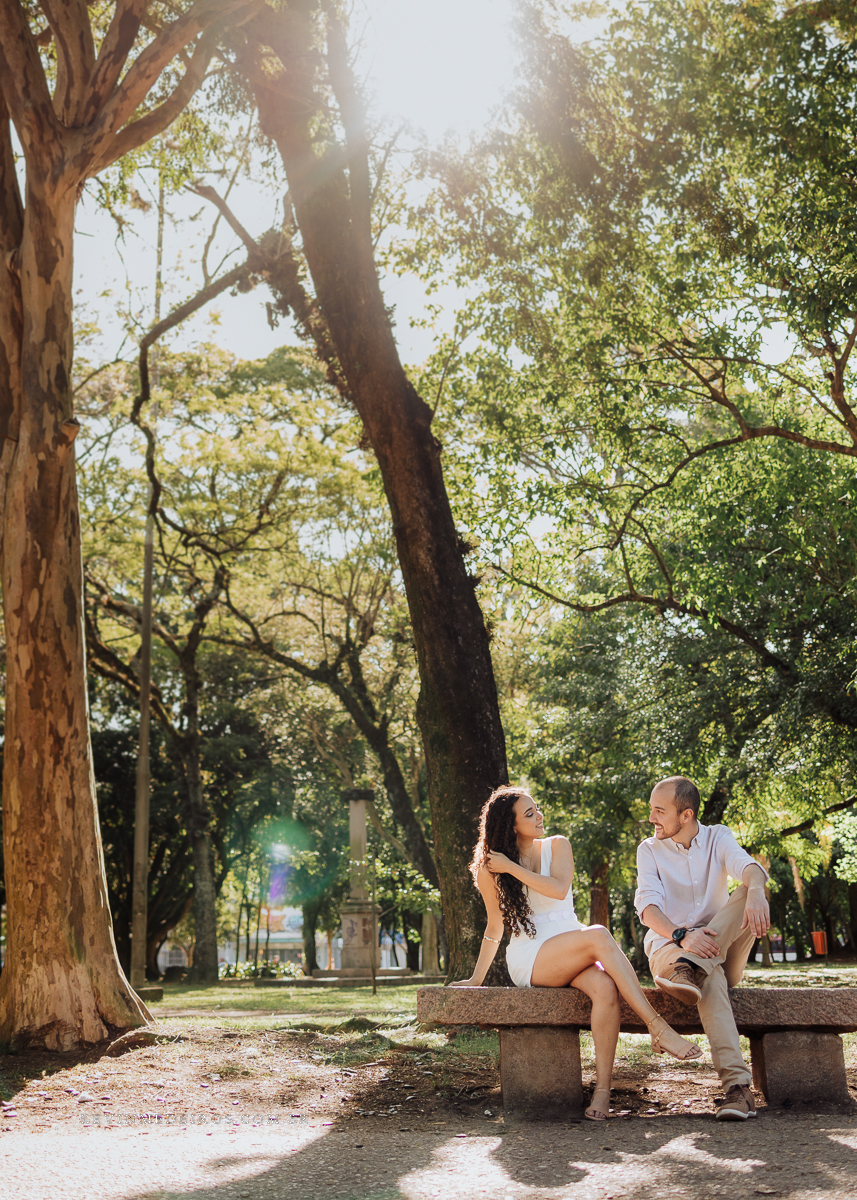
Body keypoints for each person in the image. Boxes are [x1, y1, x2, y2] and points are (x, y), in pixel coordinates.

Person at [452, 785, 702, 1121]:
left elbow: (558, 889)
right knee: (598, 934)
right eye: (529, 814)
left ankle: (602, 1092)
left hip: (571, 944)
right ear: (510, 826)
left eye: (537, 809)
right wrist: (476, 978)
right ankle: (657, 1028)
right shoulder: (490, 868)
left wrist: (513, 867)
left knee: (605, 988)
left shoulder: (558, 845)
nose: (539, 816)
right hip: (532, 956)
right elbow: (495, 926)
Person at [635, 775, 771, 1122]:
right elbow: (648, 909)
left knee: (752, 886)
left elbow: (746, 867)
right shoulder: (649, 850)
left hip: (720, 946)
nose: (652, 818)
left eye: (659, 811)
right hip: (670, 949)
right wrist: (682, 935)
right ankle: (738, 1091)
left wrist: (756, 890)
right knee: (708, 982)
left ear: (686, 815)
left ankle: (693, 965)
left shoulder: (718, 837)